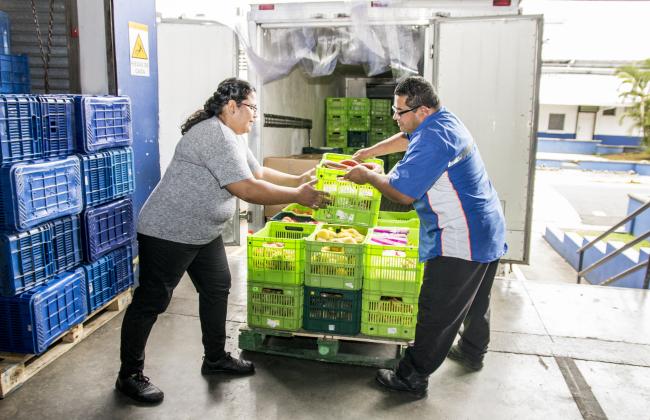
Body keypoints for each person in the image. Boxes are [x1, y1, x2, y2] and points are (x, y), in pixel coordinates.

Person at [116, 78, 328, 404]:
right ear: (232, 107)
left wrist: (299, 179)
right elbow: (246, 189)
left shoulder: (234, 136)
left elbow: (258, 173)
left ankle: (214, 358)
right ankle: (129, 376)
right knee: (152, 301)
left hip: (202, 232)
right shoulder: (214, 135)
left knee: (217, 286)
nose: (255, 115)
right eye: (252, 108)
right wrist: (299, 195)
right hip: (168, 231)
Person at [345, 76, 507, 398]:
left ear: (423, 109)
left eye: (399, 111)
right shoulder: (442, 121)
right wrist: (370, 152)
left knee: (437, 308)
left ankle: (412, 377)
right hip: (488, 225)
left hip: (463, 237)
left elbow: (402, 193)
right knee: (476, 299)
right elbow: (407, 137)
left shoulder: (435, 139)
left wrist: (368, 176)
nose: (395, 117)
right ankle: (473, 351)